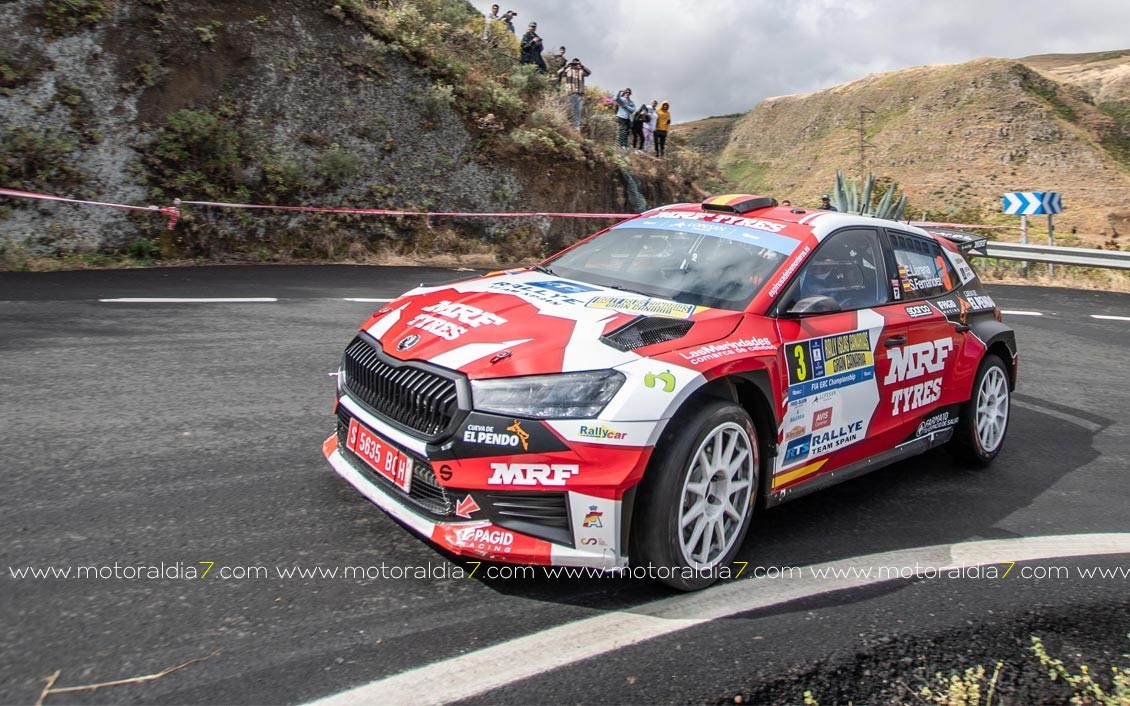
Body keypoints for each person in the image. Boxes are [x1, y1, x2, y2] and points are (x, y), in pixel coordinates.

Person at [558, 58, 591, 131]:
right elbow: (559, 73)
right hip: (570, 93)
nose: (575, 65)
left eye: (576, 63)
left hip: (579, 94)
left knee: (578, 111)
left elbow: (589, 73)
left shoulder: (581, 71)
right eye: (574, 63)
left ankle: (576, 128)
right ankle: (568, 126)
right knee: (570, 109)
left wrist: (582, 66)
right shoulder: (568, 70)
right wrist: (567, 66)